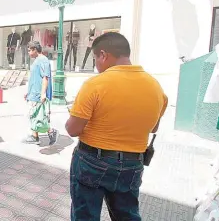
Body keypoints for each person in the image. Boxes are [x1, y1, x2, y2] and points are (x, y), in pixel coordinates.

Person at [65, 32, 168, 220]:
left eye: (95, 59)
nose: (96, 65)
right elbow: (153, 128)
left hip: (92, 161)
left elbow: (73, 129)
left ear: (103, 55)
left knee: (85, 215)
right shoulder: (155, 86)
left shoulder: (95, 84)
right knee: (127, 215)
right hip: (133, 164)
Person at [23, 41, 58, 145]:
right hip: (33, 93)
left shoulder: (43, 60)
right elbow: (34, 78)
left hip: (38, 94)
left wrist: (43, 93)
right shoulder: (37, 60)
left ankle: (51, 131)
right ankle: (35, 136)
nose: (28, 53)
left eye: (29, 50)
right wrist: (28, 93)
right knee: (34, 115)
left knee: (39, 116)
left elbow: (45, 77)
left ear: (35, 50)